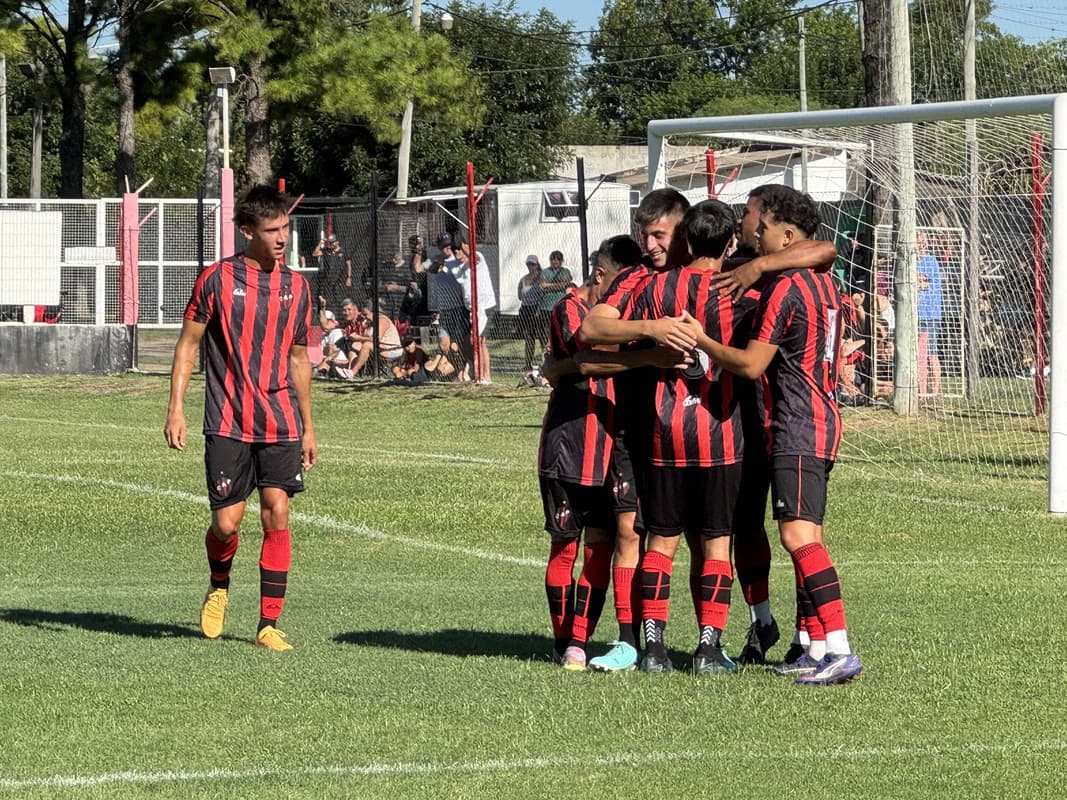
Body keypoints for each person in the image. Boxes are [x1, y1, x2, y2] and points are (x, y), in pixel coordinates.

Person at [689, 184, 862, 686]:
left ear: (785, 235)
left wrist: (700, 341)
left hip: (798, 424)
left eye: (759, 224)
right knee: (802, 534)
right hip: (812, 420)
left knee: (797, 535)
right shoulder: (824, 282)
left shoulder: (788, 285)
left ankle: (839, 649)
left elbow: (750, 364)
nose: (753, 230)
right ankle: (813, 646)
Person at [164, 184, 317, 653]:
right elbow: (189, 345)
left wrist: (309, 426)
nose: (281, 239)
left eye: (286, 229)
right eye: (272, 230)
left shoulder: (297, 286)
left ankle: (268, 624)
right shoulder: (215, 279)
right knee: (227, 524)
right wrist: (175, 407)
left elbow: (298, 358)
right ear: (246, 230)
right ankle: (219, 586)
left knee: (278, 513)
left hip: (280, 420)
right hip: (227, 418)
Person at [450, 232, 497, 383]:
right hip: (471, 309)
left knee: (478, 340)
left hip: (484, 307)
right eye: (454, 249)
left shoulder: (478, 258)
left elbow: (472, 256)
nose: (457, 251)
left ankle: (485, 376)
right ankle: (481, 374)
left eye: (458, 248)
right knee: (475, 342)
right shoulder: (459, 268)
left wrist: (462, 243)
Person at [917, 232, 943, 397]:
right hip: (916, 315)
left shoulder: (931, 261)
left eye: (922, 243)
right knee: (918, 353)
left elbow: (924, 282)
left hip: (930, 314)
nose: (920, 246)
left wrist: (918, 281)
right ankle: (921, 389)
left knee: (931, 353)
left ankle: (936, 390)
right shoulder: (911, 261)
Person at [349, 302, 404, 376]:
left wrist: (358, 337)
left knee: (366, 345)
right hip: (382, 348)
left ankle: (353, 372)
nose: (364, 317)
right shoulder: (372, 322)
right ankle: (348, 370)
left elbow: (376, 339)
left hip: (392, 349)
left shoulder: (382, 320)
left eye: (366, 314)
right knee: (355, 345)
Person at [537, 251, 573, 344]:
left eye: (558, 259)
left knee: (560, 327)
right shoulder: (545, 271)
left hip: (560, 305)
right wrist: (559, 285)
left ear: (561, 261)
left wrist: (548, 285)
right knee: (546, 328)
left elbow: (564, 284)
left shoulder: (565, 271)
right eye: (553, 258)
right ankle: (547, 346)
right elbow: (542, 286)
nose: (555, 261)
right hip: (546, 306)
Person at [518, 255, 546, 371]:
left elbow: (543, 294)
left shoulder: (540, 278)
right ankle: (528, 363)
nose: (531, 266)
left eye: (533, 264)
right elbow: (519, 295)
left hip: (537, 309)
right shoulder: (523, 279)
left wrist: (539, 308)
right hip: (525, 309)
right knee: (529, 337)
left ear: (537, 265)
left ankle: (545, 362)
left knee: (542, 336)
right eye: (529, 264)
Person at [313, 233, 353, 311]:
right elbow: (315, 254)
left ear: (337, 242)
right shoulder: (326, 251)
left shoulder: (343, 251)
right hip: (328, 281)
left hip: (339, 280)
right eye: (329, 242)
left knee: (339, 299)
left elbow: (348, 264)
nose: (330, 244)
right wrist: (320, 243)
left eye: (332, 242)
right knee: (328, 300)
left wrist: (349, 277)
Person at [315, 309, 353, 381]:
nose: (322, 324)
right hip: (330, 360)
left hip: (340, 361)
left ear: (333, 322)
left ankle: (322, 372)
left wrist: (326, 358)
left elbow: (333, 352)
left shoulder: (337, 332)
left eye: (327, 321)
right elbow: (325, 353)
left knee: (326, 362)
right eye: (321, 322)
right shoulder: (324, 336)